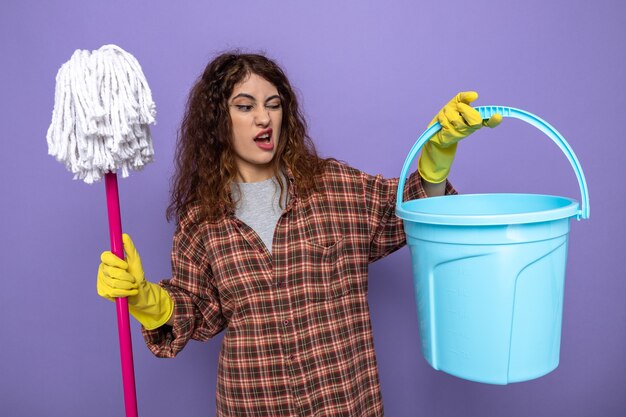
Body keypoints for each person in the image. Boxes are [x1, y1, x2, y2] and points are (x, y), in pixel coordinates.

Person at [97, 52, 501, 416]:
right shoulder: (201, 221)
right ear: (217, 121)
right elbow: (196, 309)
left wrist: (433, 165)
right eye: (245, 106)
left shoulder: (333, 186)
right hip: (252, 403)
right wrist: (145, 298)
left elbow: (412, 213)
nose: (264, 118)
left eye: (274, 105)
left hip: (345, 402)